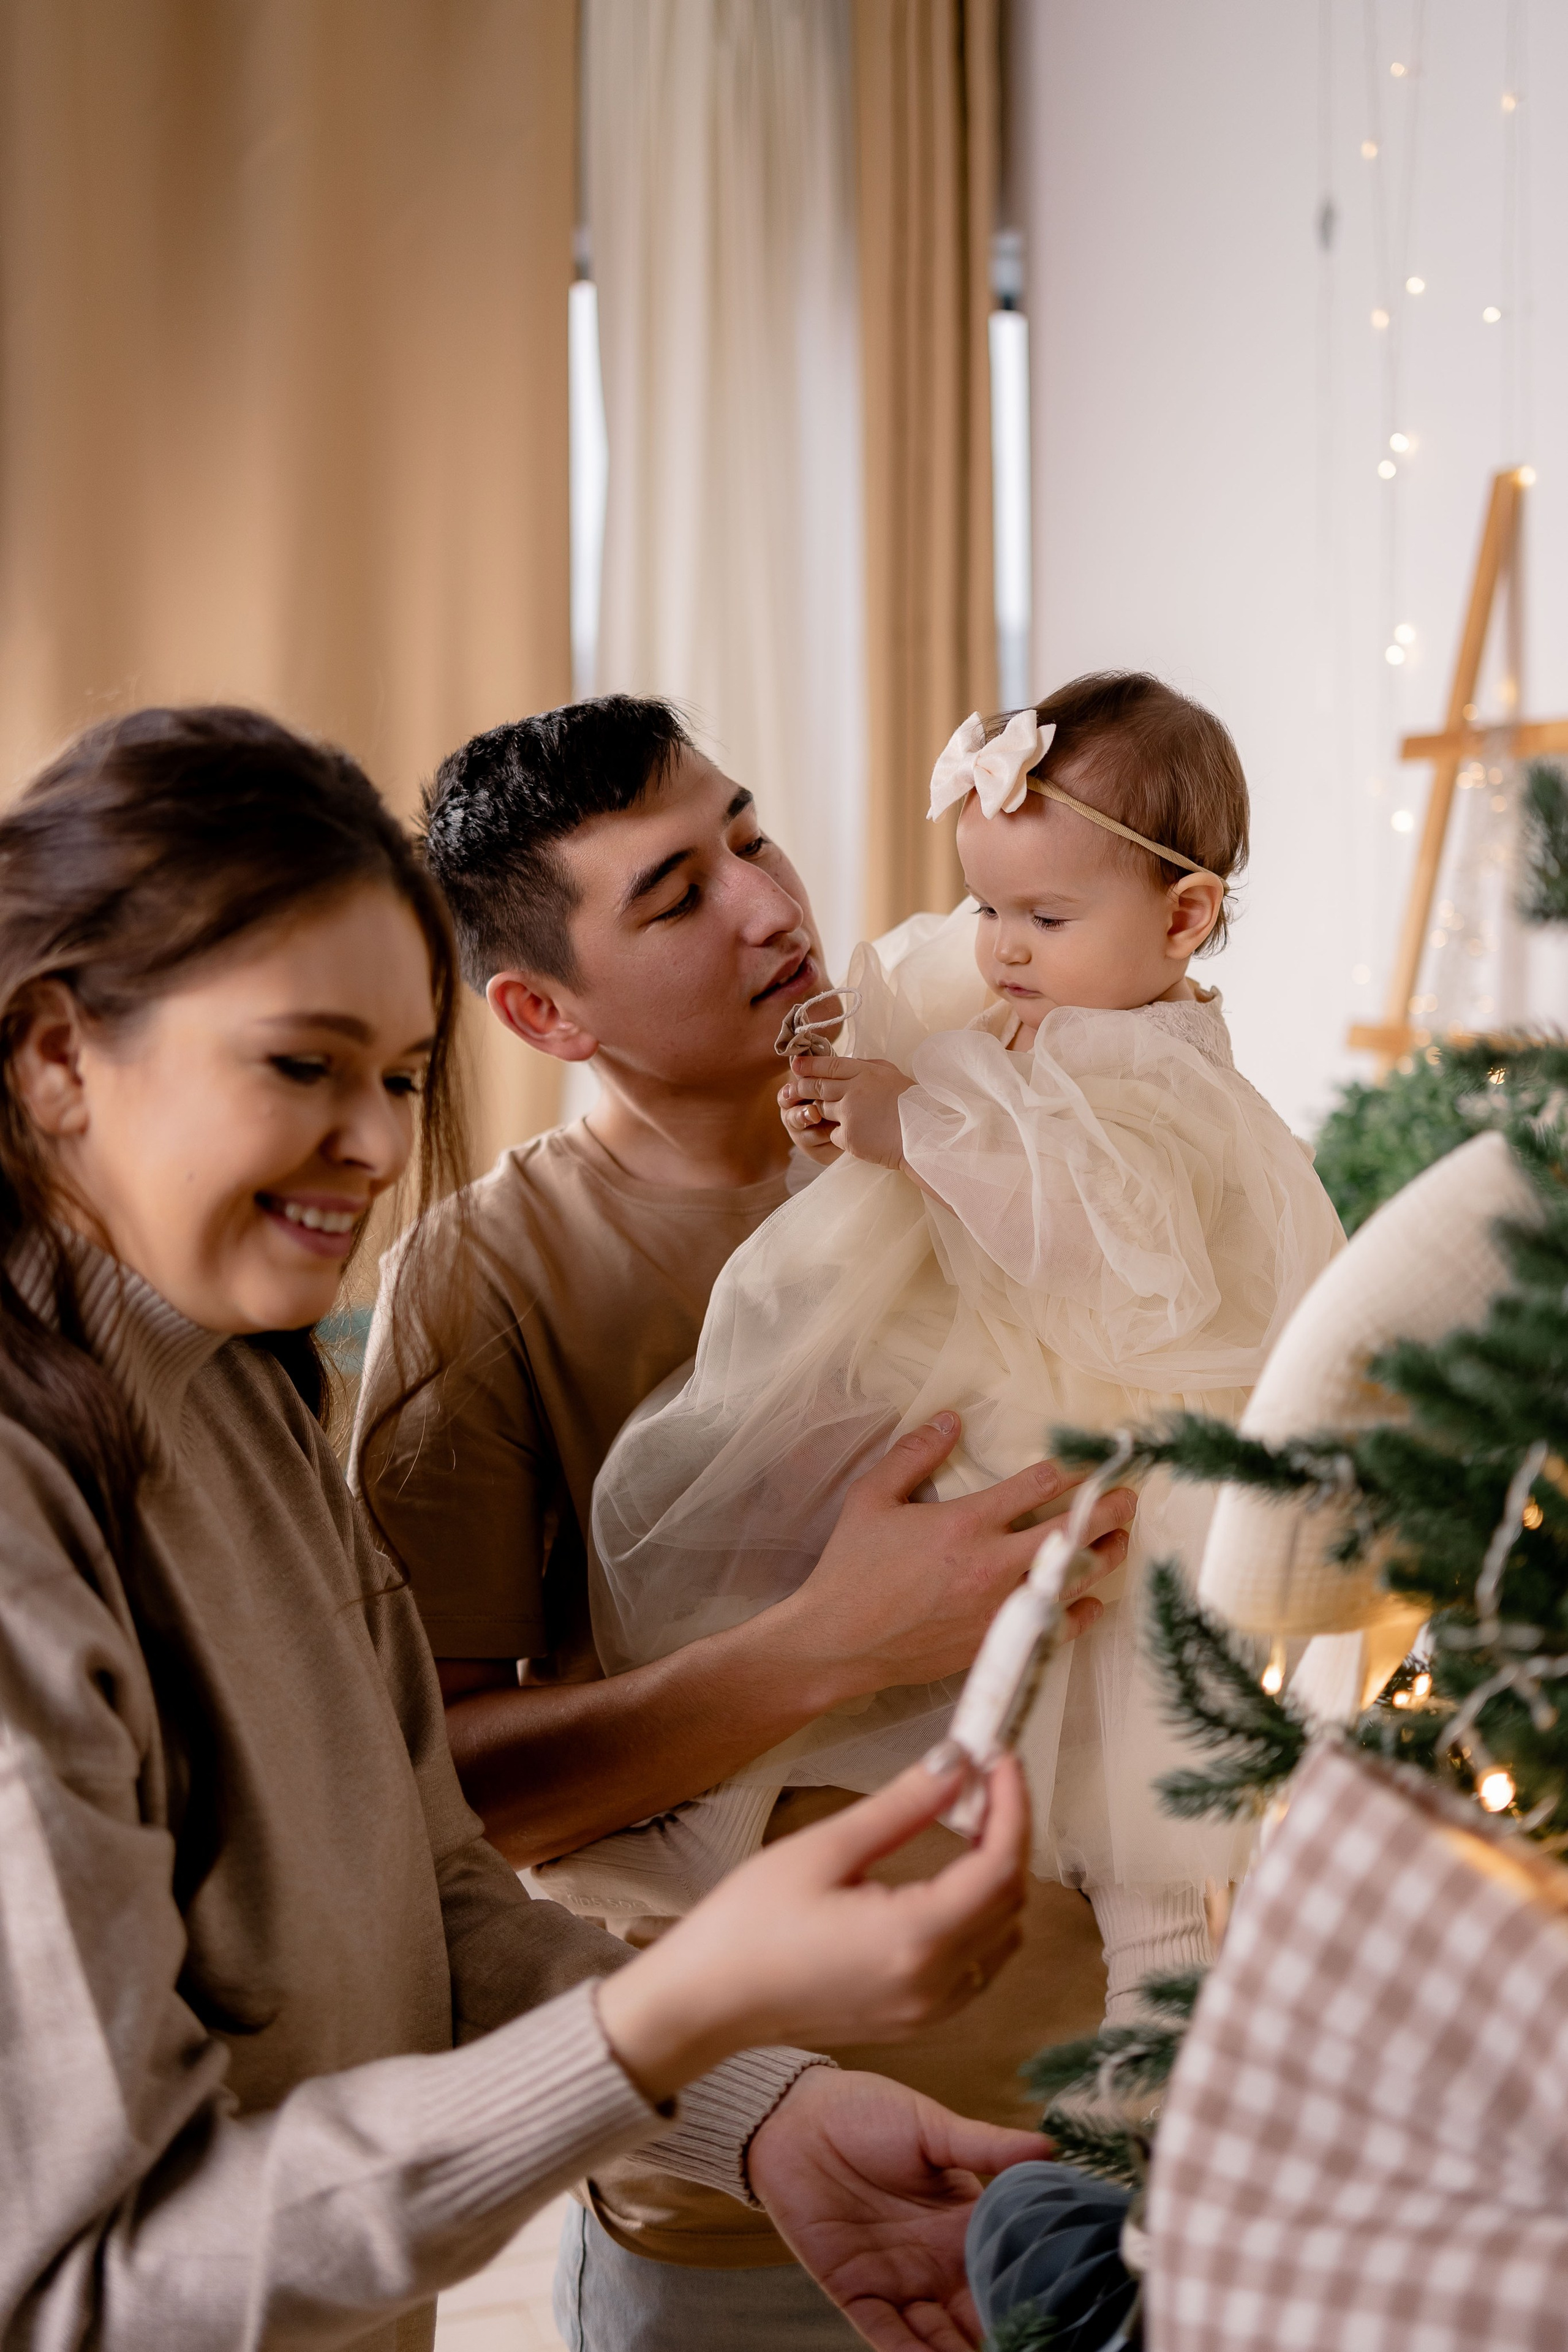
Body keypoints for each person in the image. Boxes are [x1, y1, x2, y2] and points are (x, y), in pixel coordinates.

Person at [0, 702, 1071, 2352]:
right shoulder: (32, 1522)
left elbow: (435, 1898)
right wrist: (686, 1998)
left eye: (404, 1076)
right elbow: (86, 2283)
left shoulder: (241, 1403)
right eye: (304, 1066)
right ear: (58, 1055)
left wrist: (765, 2110)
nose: (373, 1146)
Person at [353, 696, 1136, 2346]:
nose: (772, 905)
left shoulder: (981, 1130)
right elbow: (439, 1796)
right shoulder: (481, 1283)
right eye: (674, 896)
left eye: (750, 836)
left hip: (1109, 2130)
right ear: (538, 1011)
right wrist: (827, 1643)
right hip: (745, 2202)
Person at [585, 673, 1345, 2014]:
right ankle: (716, 1806)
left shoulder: (1157, 1071)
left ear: (1182, 920)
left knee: (1120, 1682)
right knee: (783, 1514)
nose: (1000, 944)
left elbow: (1096, 1239)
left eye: (1043, 916)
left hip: (1109, 1409)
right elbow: (916, 1043)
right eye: (989, 904)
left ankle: (1160, 1974)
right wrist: (850, 1102)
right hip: (969, 1360)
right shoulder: (1025, 987)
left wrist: (917, 1128)